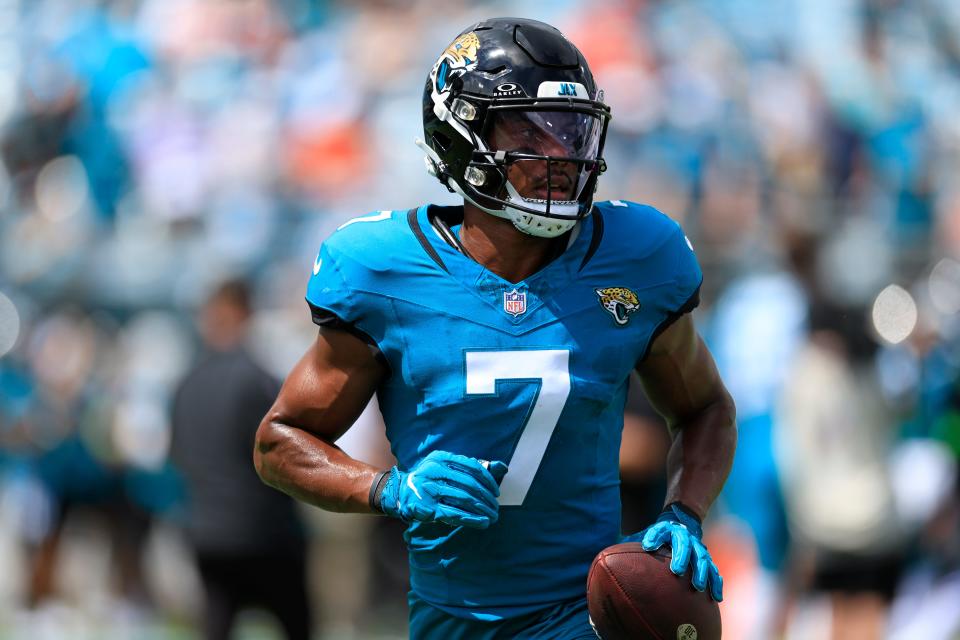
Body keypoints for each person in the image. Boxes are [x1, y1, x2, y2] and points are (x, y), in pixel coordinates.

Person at [254, 18, 736, 639]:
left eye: (573, 131)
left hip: (582, 615)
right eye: (529, 130)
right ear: (460, 136)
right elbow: (278, 442)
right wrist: (386, 489)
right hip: (452, 621)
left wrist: (685, 512)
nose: (561, 155)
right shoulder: (382, 269)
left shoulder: (638, 255)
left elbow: (706, 409)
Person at [171, 280, 312, 640]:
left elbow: (177, 455)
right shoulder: (256, 379)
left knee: (217, 625)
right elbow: (282, 453)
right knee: (296, 623)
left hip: (206, 529)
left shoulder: (186, 382)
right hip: (263, 532)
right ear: (243, 313)